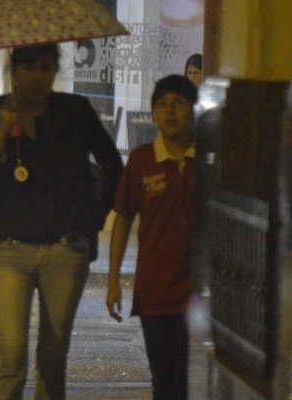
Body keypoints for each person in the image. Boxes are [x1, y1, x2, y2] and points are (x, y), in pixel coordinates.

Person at [0, 43, 123, 400]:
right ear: (14, 71)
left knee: (52, 363)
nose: (39, 76)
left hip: (65, 251)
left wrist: (91, 222)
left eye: (47, 67)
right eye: (30, 68)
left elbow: (113, 167)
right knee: (11, 364)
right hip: (8, 250)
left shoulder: (74, 111)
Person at [106, 75, 198, 400]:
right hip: (155, 290)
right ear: (154, 114)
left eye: (179, 104)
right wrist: (114, 280)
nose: (170, 112)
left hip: (199, 292)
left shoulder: (209, 160)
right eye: (162, 105)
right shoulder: (142, 160)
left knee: (191, 381)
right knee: (164, 381)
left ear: (194, 111)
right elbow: (123, 220)